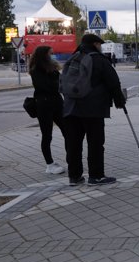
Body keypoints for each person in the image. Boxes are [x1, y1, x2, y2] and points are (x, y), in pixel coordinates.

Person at [62, 34, 126, 186]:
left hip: (71, 108)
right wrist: (120, 101)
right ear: (95, 44)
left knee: (73, 144)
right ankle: (96, 176)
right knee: (95, 143)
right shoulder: (99, 60)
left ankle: (74, 176)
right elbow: (113, 83)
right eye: (99, 44)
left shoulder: (73, 58)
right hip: (93, 109)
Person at [28, 45, 66, 175]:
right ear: (43, 55)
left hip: (57, 103)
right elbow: (46, 86)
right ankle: (49, 164)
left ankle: (71, 158)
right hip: (44, 105)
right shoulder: (36, 70)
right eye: (50, 54)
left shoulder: (53, 68)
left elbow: (61, 82)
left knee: (67, 130)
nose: (52, 56)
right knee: (47, 134)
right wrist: (56, 84)